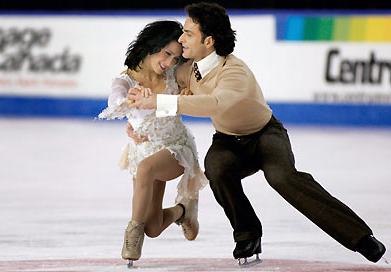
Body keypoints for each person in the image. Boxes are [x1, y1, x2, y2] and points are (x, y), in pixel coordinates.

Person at [127, 2, 386, 265]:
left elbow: (216, 103)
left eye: (189, 33)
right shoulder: (187, 68)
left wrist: (162, 102)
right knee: (216, 167)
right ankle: (247, 234)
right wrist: (137, 120)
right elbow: (155, 78)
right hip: (228, 141)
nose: (181, 39)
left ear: (209, 41)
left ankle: (361, 237)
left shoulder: (234, 72)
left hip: (265, 136)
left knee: (282, 177)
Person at [98, 20, 208, 266]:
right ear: (151, 45)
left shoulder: (175, 73)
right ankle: (184, 211)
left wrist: (190, 93)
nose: (169, 62)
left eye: (175, 57)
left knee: (146, 169)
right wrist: (128, 99)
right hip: (144, 151)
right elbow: (115, 100)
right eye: (167, 53)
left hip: (176, 148)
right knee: (154, 227)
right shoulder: (125, 80)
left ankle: (132, 234)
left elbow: (199, 84)